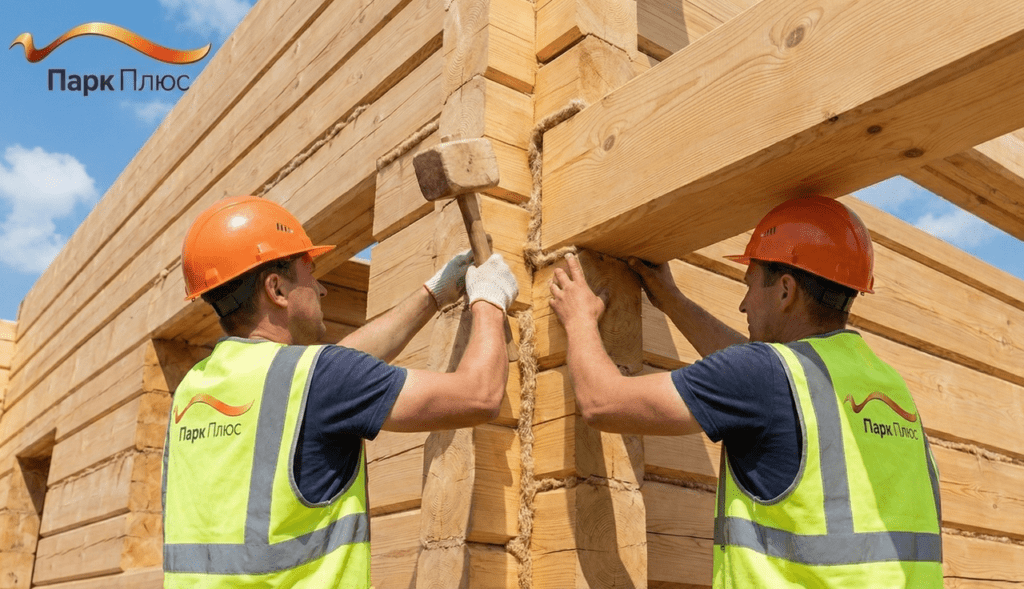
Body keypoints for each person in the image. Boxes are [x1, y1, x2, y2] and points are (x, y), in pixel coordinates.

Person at [548, 196, 942, 587]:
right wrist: (672, 301)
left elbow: (602, 402)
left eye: (749, 284)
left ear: (785, 290)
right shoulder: (889, 388)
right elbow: (760, 378)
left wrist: (580, 319)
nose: (742, 304)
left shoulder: (767, 376)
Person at [162, 195, 518, 588]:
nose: (321, 289)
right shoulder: (317, 380)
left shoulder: (193, 389)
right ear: (276, 289)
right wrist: (490, 299)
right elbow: (479, 395)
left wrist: (433, 294)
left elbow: (331, 372)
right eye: (310, 274)